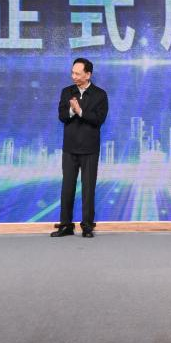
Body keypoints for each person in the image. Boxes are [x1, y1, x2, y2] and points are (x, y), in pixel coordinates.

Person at [52, 58, 108, 238]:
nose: (73, 76)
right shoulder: (67, 92)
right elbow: (62, 116)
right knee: (67, 187)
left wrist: (80, 111)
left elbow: (98, 120)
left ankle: (87, 226)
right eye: (72, 73)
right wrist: (71, 110)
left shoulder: (100, 94)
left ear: (88, 74)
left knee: (88, 189)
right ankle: (66, 225)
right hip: (70, 148)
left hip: (90, 149)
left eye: (77, 73)